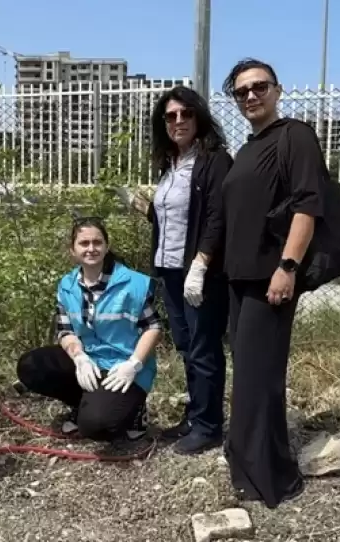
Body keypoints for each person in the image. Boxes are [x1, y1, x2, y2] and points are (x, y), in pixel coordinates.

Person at [220, 58, 327, 508]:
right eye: (241, 91)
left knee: (260, 377)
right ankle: (244, 460)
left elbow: (308, 205)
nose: (250, 96)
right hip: (238, 281)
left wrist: (288, 266)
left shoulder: (294, 135)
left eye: (258, 87)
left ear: (277, 90)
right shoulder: (247, 148)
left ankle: (271, 475)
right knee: (247, 375)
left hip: (271, 279)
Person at [110, 86, 232, 455]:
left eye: (185, 114)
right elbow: (173, 219)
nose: (178, 121)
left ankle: (210, 426)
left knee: (204, 348)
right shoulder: (171, 164)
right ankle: (195, 416)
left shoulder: (213, 161)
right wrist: (143, 205)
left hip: (199, 272)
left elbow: (216, 217)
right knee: (186, 347)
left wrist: (202, 263)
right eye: (170, 116)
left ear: (199, 117)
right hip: (169, 269)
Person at [15, 217, 164, 441]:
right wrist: (79, 358)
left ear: (106, 246)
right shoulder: (67, 285)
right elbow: (65, 330)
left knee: (97, 427)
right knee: (31, 366)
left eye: (97, 242)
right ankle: (82, 402)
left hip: (123, 367)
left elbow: (153, 328)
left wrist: (134, 364)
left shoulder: (133, 284)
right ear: (72, 250)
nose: (91, 249)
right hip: (91, 361)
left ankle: (136, 411)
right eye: (84, 243)